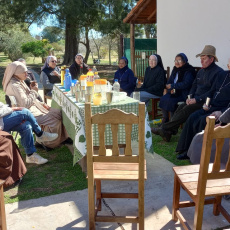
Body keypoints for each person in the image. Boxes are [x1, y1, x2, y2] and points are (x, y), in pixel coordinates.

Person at [151, 45, 223, 142]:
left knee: (186, 109)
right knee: (181, 107)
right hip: (195, 99)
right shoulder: (201, 71)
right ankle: (168, 132)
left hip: (206, 102)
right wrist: (190, 97)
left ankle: (164, 128)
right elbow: (194, 86)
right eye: (201, 58)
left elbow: (212, 92)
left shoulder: (218, 73)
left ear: (211, 59)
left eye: (204, 58)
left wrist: (196, 99)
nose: (201, 61)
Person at [2, 61, 69, 149]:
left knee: (57, 112)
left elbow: (28, 99)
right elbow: (25, 104)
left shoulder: (19, 81)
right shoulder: (14, 85)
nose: (27, 73)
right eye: (24, 72)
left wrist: (41, 103)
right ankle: (48, 144)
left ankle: (59, 139)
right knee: (54, 118)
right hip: (27, 113)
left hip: (33, 108)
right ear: (16, 73)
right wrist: (34, 91)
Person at [175, 59, 230, 160]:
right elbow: (212, 91)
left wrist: (221, 112)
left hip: (222, 110)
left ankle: (196, 154)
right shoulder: (223, 75)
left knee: (201, 121)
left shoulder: (217, 71)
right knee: (192, 117)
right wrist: (207, 103)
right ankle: (185, 148)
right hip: (212, 105)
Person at [159, 53, 195, 123]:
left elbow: (186, 84)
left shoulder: (189, 70)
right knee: (163, 98)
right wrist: (170, 89)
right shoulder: (175, 70)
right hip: (174, 92)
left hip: (184, 93)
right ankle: (165, 118)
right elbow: (169, 82)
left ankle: (172, 121)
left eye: (179, 60)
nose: (177, 63)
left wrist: (173, 86)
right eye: (175, 61)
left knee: (171, 101)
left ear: (184, 61)